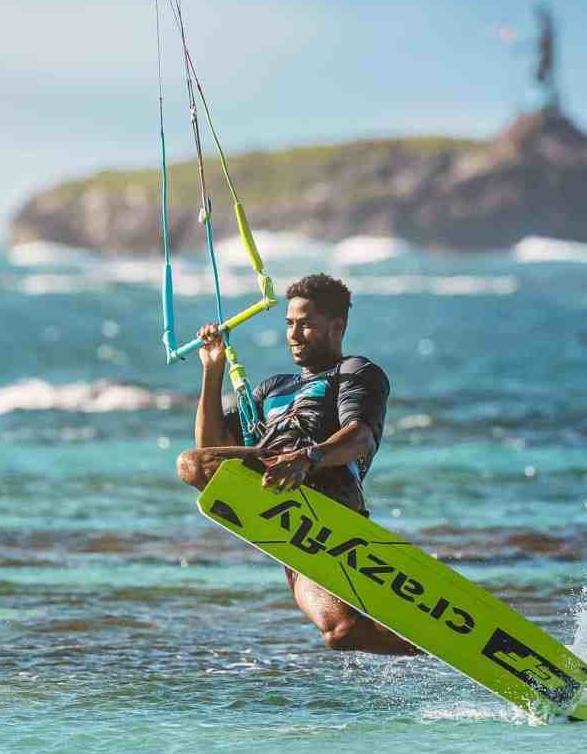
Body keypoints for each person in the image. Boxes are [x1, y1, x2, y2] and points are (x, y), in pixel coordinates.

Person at [175, 272, 417, 656]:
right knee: (343, 633)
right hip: (286, 520)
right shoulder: (274, 388)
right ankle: (439, 652)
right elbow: (211, 453)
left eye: (306, 325)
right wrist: (213, 369)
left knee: (192, 462)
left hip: (329, 492)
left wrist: (308, 457)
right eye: (289, 324)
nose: (293, 334)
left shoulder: (354, 372)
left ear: (336, 327)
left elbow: (360, 438)